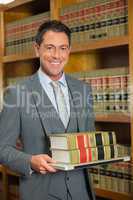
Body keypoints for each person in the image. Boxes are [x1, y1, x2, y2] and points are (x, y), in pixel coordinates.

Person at [0, 20, 95, 200]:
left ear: (69, 50)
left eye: (63, 48)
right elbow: (1, 148)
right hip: (40, 193)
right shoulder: (16, 93)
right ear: (37, 49)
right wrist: (29, 161)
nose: (56, 55)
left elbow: (88, 138)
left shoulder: (84, 89)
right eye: (50, 47)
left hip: (82, 192)